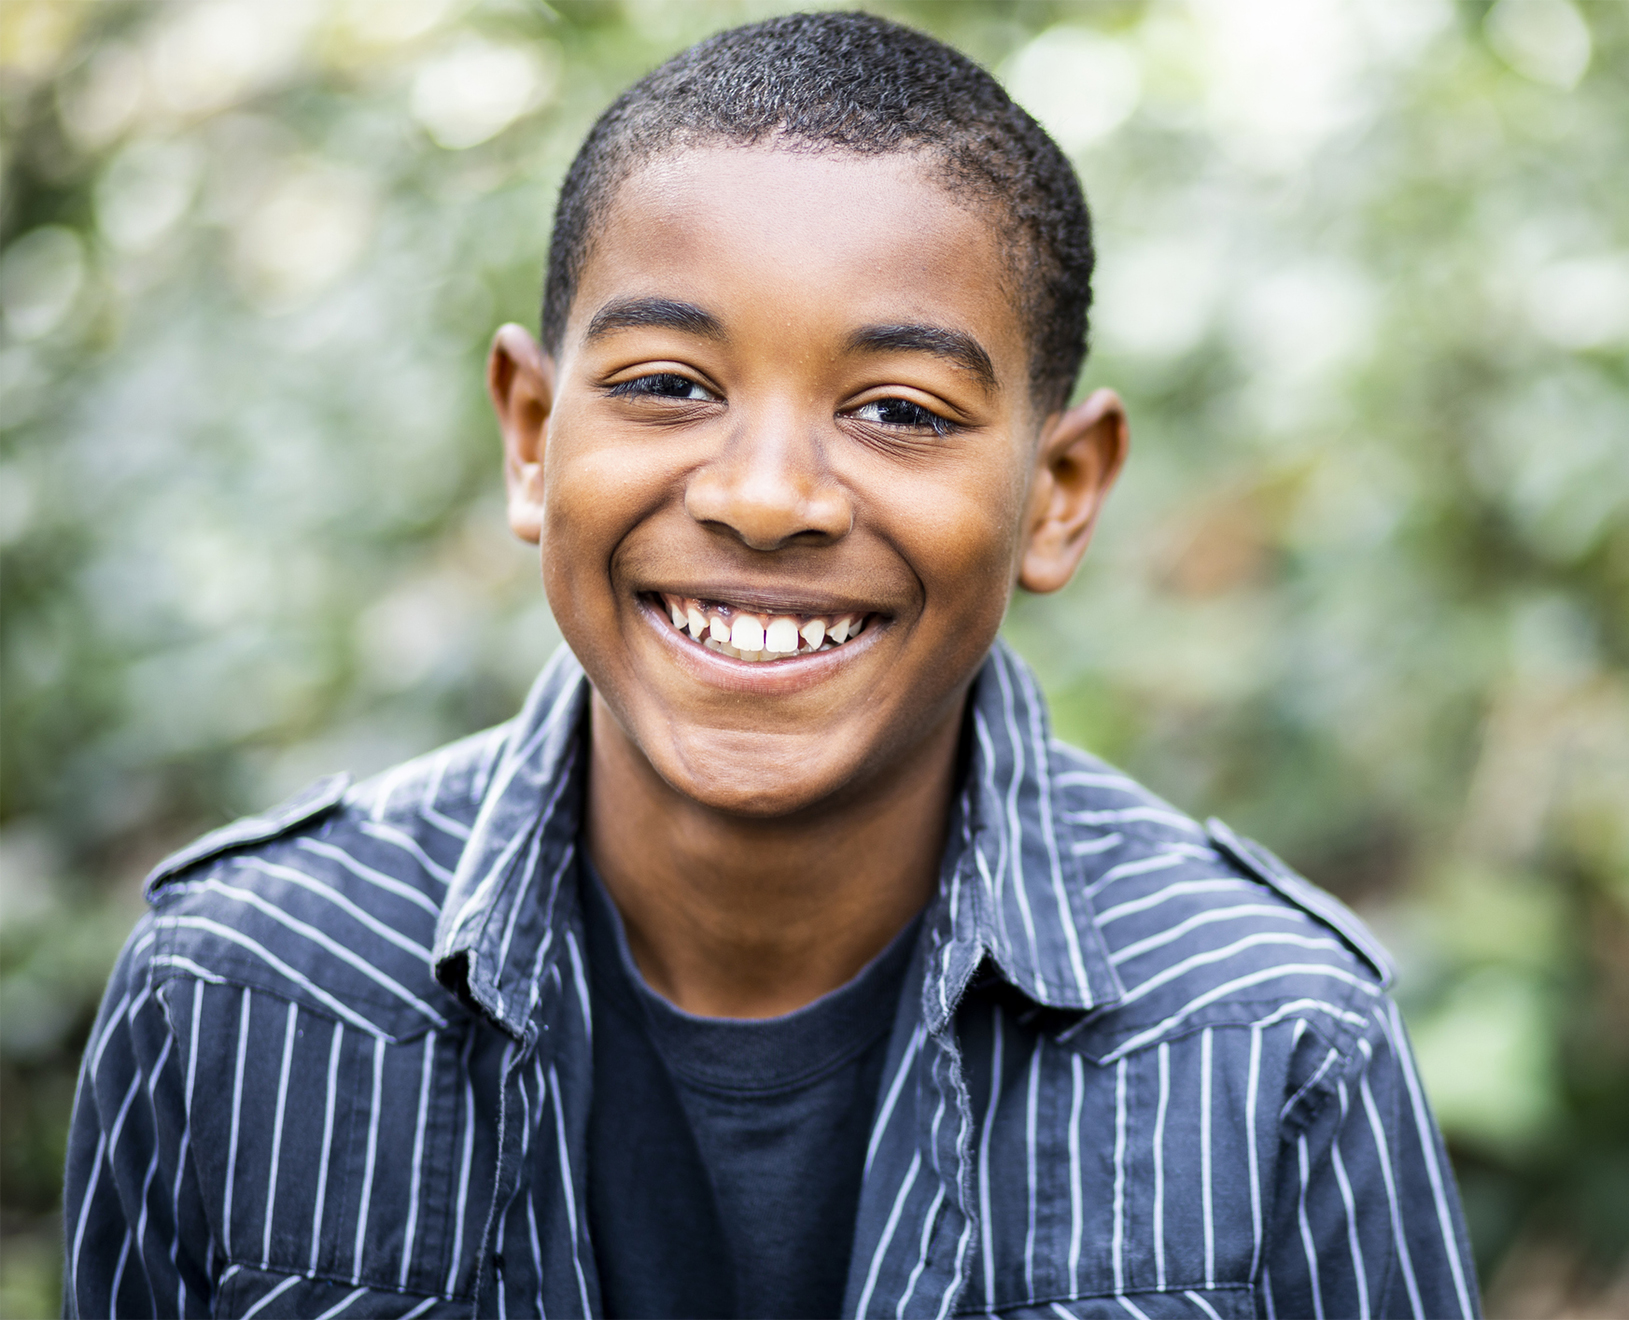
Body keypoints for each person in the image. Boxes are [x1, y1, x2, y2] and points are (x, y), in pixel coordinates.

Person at [63, 13, 1479, 1319]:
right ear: (533, 436)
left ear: (1058, 490)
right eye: (669, 385)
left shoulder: (1271, 1045)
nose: (766, 495)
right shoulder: (237, 1004)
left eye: (899, 410)